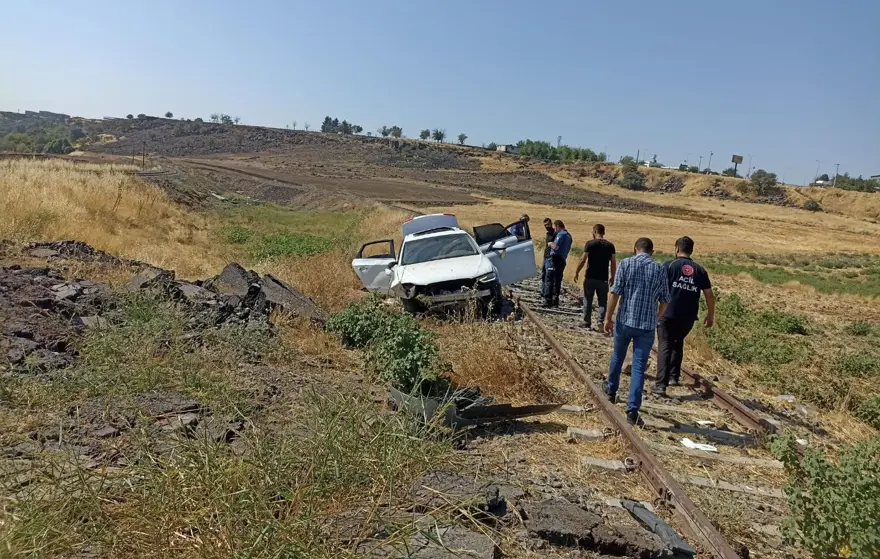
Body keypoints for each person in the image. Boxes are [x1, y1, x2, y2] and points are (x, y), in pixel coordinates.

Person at [603, 237, 670, 425]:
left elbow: (615, 293)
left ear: (635, 249)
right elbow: (665, 300)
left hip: (625, 320)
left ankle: (611, 390)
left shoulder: (626, 264)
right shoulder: (659, 269)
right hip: (646, 326)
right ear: (652, 252)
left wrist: (608, 318)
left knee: (618, 356)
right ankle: (632, 411)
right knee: (639, 367)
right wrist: (656, 316)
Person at [653, 236, 715, 395]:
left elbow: (656, 287)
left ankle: (661, 384)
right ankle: (674, 376)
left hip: (667, 313)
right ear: (691, 250)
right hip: (688, 316)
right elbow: (709, 295)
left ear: (676, 249)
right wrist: (710, 315)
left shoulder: (669, 265)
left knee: (665, 344)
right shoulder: (700, 270)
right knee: (678, 342)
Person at [573, 224, 617, 332]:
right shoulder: (610, 246)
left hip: (590, 277)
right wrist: (613, 276)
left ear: (594, 232)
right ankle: (600, 321)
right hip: (603, 279)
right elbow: (613, 263)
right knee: (603, 302)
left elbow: (583, 259)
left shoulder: (590, 243)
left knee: (588, 299)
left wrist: (577, 271)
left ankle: (586, 322)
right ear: (604, 232)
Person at [543, 219, 572, 308]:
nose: (555, 230)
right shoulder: (569, 236)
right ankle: (555, 301)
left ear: (558, 226)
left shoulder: (560, 234)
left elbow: (555, 246)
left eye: (555, 228)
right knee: (558, 280)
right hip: (562, 259)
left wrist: (550, 244)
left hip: (555, 259)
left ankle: (548, 300)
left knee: (549, 278)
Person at [539, 217, 555, 303]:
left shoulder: (555, 233)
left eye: (547, 224)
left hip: (550, 257)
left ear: (551, 223)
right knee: (543, 275)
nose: (546, 226)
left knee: (548, 276)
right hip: (545, 256)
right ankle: (543, 292)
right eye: (545, 225)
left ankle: (547, 294)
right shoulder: (548, 233)